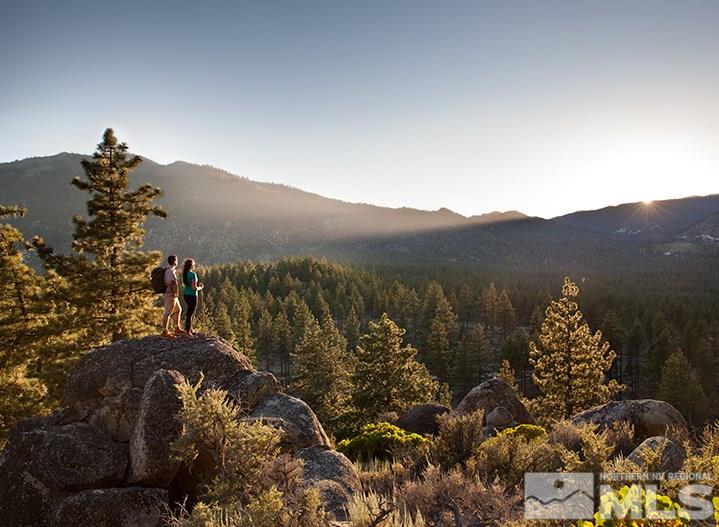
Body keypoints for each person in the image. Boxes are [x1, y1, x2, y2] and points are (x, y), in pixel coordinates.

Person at [161, 255, 185, 338]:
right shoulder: (170, 271)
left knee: (178, 309)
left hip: (172, 294)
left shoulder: (170, 270)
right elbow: (169, 282)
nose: (177, 261)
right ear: (174, 261)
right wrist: (173, 291)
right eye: (176, 260)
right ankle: (165, 331)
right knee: (167, 313)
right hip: (170, 294)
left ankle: (177, 328)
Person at [181, 258, 204, 336]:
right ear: (191, 266)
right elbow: (194, 288)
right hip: (192, 295)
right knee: (190, 313)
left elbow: (184, 285)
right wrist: (200, 287)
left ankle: (190, 328)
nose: (194, 265)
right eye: (194, 264)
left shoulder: (184, 274)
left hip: (186, 294)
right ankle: (188, 330)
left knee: (189, 312)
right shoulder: (193, 274)